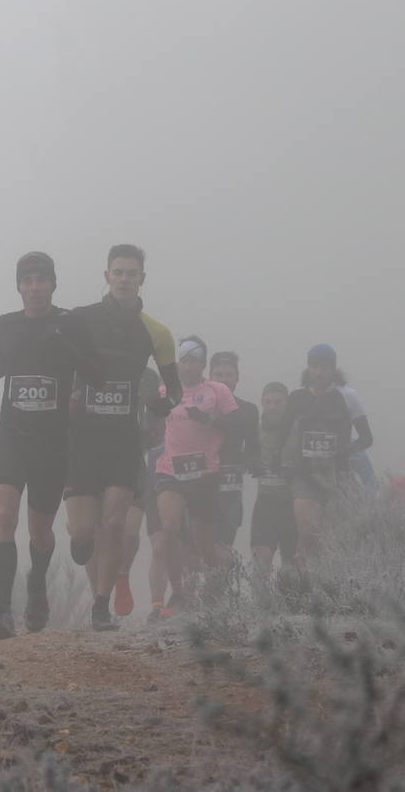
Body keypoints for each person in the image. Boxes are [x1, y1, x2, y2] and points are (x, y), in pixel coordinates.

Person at [0, 251, 101, 640]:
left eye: (41, 280)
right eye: (27, 281)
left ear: (52, 284)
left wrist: (70, 347)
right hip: (11, 436)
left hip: (51, 443)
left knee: (41, 532)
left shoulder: (71, 324)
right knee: (3, 516)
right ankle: (2, 612)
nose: (34, 288)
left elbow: (97, 375)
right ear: (18, 287)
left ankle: (37, 587)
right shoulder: (6, 324)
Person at [67, 244, 180, 631]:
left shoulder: (154, 330)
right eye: (119, 272)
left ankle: (101, 605)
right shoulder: (80, 319)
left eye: (132, 273)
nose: (125, 279)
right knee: (84, 533)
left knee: (114, 526)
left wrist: (162, 405)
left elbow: (174, 388)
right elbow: (57, 361)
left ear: (142, 279)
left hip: (122, 440)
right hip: (82, 440)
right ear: (107, 276)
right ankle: (82, 547)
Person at [151, 336, 240, 614]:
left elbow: (237, 425)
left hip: (204, 474)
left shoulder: (216, 390)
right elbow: (154, 422)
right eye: (184, 360)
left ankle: (218, 593)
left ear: (202, 364)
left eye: (194, 361)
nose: (188, 366)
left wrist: (208, 419)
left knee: (206, 548)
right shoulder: (166, 390)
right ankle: (177, 595)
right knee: (169, 529)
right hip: (170, 470)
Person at [270, 344, 373, 564]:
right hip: (305, 475)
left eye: (324, 367)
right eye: (314, 367)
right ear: (308, 368)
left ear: (333, 369)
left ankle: (318, 581)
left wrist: (345, 452)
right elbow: (282, 433)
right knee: (308, 532)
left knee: (334, 538)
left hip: (338, 476)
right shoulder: (297, 397)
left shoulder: (347, 397)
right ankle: (296, 578)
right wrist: (277, 461)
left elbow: (367, 438)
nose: (319, 373)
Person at [114, 365, 166, 619]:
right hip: (103, 460)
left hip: (137, 466)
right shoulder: (104, 367)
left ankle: (122, 577)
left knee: (130, 531)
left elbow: (157, 428)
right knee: (105, 530)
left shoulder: (149, 377)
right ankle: (102, 596)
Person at [208, 350, 261, 554]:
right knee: (195, 547)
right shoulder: (198, 405)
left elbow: (253, 449)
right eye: (218, 374)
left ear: (237, 378)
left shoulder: (248, 410)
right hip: (198, 484)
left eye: (228, 374)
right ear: (210, 377)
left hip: (230, 487)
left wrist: (251, 464)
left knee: (223, 546)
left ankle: (220, 586)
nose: (223, 380)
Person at [249, 381, 296, 575]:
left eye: (278, 402)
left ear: (287, 404)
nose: (273, 407)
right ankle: (259, 605)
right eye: (268, 402)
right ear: (262, 402)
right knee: (261, 557)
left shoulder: (297, 429)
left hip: (292, 504)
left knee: (291, 566)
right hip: (265, 503)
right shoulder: (255, 430)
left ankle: (290, 604)